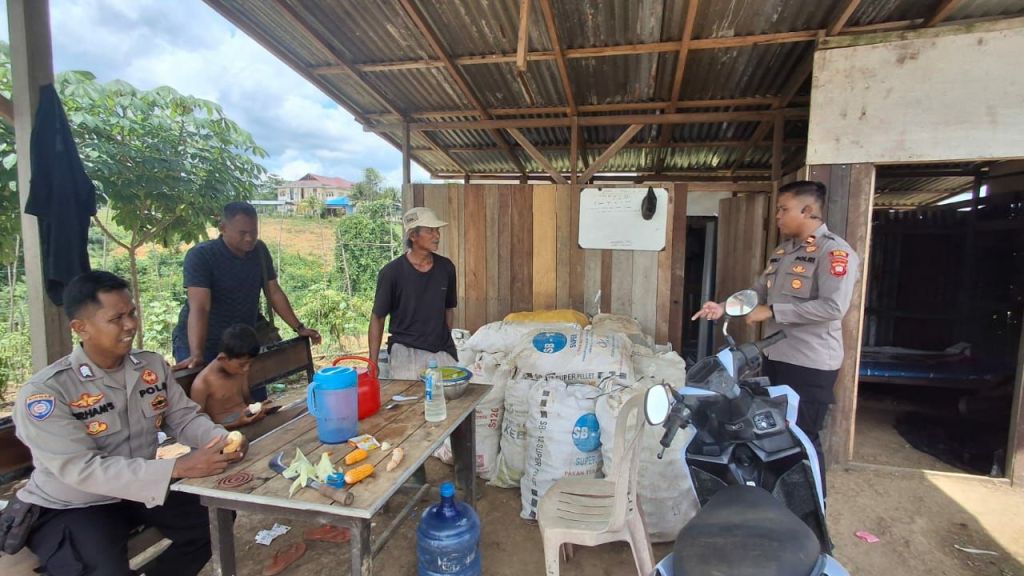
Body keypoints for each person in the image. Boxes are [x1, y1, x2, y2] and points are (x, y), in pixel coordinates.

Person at [9, 271, 246, 576]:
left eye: (132, 313)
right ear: (80, 328)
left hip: (138, 488)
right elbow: (81, 469)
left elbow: (184, 418)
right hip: (73, 503)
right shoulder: (47, 392)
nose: (131, 324)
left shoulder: (150, 366)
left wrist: (221, 439)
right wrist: (176, 468)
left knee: (214, 519)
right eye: (116, 318)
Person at [692, 180, 860, 490]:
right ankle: (781, 498)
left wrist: (772, 311)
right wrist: (726, 307)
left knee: (804, 437)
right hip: (775, 356)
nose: (778, 216)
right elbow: (757, 292)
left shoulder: (834, 252)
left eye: (784, 209)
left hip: (809, 363)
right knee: (776, 432)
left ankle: (814, 509)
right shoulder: (783, 252)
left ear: (807, 210)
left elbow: (833, 307)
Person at [171, 201, 321, 372]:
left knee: (248, 388)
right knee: (203, 388)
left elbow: (273, 292)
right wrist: (197, 353)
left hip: (238, 344)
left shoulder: (259, 251)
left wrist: (299, 328)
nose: (249, 238)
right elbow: (200, 307)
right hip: (200, 343)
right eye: (242, 233)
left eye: (253, 232)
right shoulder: (202, 256)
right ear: (223, 228)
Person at [369, 207, 458, 380]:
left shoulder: (446, 268)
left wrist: (444, 339)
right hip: (405, 351)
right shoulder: (392, 273)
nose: (437, 235)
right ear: (413, 236)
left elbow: (448, 309)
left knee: (447, 395)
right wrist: (373, 362)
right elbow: (377, 318)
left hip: (441, 350)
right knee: (409, 396)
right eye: (430, 230)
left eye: (437, 230)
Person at [190, 324, 271, 429]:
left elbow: (247, 399)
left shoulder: (239, 371)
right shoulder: (203, 384)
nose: (246, 369)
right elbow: (199, 424)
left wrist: (258, 408)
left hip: (248, 422)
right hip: (225, 432)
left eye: (250, 364)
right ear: (222, 359)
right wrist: (237, 423)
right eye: (242, 364)